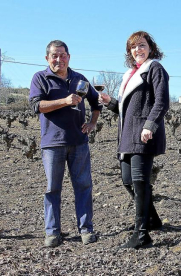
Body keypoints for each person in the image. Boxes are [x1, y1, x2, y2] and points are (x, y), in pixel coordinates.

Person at [99, 31, 169, 249]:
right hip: (127, 135)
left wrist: (150, 125)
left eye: (142, 45)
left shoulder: (154, 68)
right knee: (128, 181)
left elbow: (162, 102)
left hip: (142, 135)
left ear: (150, 47)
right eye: (133, 47)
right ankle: (153, 219)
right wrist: (111, 103)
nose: (137, 50)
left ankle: (142, 235)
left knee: (139, 182)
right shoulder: (130, 74)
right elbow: (126, 110)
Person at [29, 40, 102, 247]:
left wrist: (92, 123)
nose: (58, 59)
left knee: (84, 186)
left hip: (79, 142)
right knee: (52, 188)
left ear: (69, 57)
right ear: (47, 58)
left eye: (62, 55)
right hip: (52, 143)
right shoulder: (40, 78)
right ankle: (52, 232)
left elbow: (96, 103)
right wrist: (64, 101)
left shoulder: (79, 79)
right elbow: (37, 106)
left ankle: (86, 229)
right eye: (54, 55)